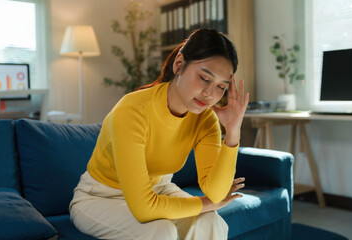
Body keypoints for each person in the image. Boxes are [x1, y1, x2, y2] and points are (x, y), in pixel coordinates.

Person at [69, 28, 249, 240]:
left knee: (210, 222)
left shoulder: (205, 119)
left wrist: (232, 133)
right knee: (161, 232)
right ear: (179, 64)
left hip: (159, 189)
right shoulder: (132, 111)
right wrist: (206, 204)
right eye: (204, 78)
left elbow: (216, 193)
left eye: (221, 86)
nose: (210, 94)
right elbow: (144, 209)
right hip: (99, 197)